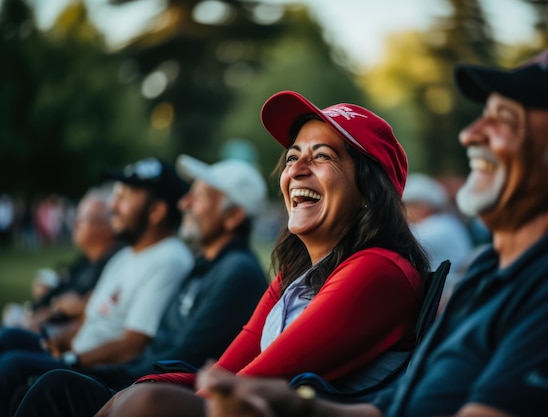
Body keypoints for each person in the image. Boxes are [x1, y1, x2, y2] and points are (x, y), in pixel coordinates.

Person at [168, 46, 548, 417]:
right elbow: (394, 407)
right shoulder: (492, 267)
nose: (470, 134)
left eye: (505, 120)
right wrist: (296, 405)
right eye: (292, 156)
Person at [70, 90, 431, 417]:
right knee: (68, 388)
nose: (297, 169)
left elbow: (240, 385)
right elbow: (224, 373)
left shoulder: (378, 269)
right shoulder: (295, 271)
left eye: (321, 156)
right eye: (292, 157)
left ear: (369, 190)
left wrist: (142, 394)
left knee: (142, 404)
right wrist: (143, 386)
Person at [9, 155, 270, 417]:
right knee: (39, 379)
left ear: (234, 216)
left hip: (159, 394)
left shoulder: (238, 274)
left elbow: (185, 357)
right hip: (141, 382)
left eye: (199, 196)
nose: (184, 203)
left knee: (49, 383)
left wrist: (91, 371)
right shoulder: (207, 265)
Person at [0, 157, 194, 417]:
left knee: (14, 366)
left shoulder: (169, 258)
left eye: (126, 197)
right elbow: (92, 314)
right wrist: (64, 338)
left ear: (156, 211)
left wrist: (72, 359)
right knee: (11, 337)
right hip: (78, 355)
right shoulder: (126, 254)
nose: (113, 205)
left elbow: (133, 343)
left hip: (104, 371)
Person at [2, 186, 123, 332]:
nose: (75, 224)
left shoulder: (115, 263)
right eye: (75, 218)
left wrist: (53, 310)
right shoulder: (88, 258)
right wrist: (47, 298)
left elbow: (86, 308)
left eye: (82, 219)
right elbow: (67, 291)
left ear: (107, 228)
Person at [402, 173, 474, 306]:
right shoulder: (446, 223)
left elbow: (401, 242)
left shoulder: (441, 226)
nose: (404, 211)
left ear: (425, 206)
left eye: (409, 204)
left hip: (443, 299)